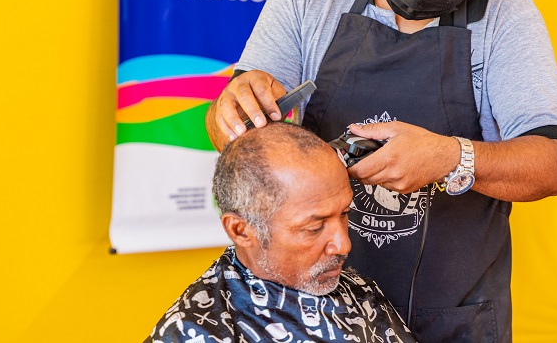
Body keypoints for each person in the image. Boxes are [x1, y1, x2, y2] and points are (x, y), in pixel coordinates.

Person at [205, 0, 557, 342]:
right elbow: (235, 130)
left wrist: (450, 158)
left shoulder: (507, 17)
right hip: (315, 314)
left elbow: (552, 165)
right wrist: (232, 113)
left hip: (450, 315)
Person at [144, 123, 415, 343]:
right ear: (241, 230)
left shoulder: (360, 291)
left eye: (344, 213)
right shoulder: (195, 332)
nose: (343, 245)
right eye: (314, 227)